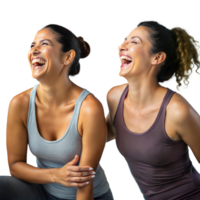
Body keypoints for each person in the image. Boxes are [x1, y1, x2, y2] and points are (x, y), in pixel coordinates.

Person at [2, 23, 115, 200]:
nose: (34, 51)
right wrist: (55, 175)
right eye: (32, 45)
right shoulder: (19, 103)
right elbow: (14, 166)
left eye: (44, 44)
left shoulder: (90, 107)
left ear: (68, 57)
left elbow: (84, 185)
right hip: (42, 191)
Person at [105, 15, 200, 199]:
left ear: (157, 57)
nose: (121, 46)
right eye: (123, 41)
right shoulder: (114, 97)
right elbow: (99, 136)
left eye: (134, 42)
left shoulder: (177, 111)